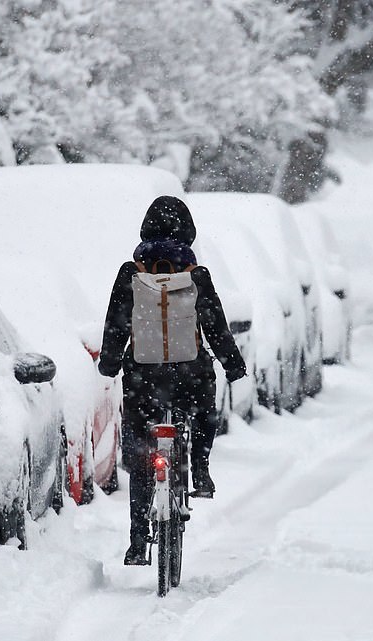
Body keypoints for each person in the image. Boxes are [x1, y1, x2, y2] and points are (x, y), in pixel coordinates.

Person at [98, 195, 248, 565]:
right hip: (189, 375)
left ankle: (137, 539)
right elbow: (215, 326)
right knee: (204, 411)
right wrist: (233, 364)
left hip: (143, 378)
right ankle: (200, 468)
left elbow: (116, 325)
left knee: (139, 452)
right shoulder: (196, 276)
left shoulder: (130, 274)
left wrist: (110, 364)